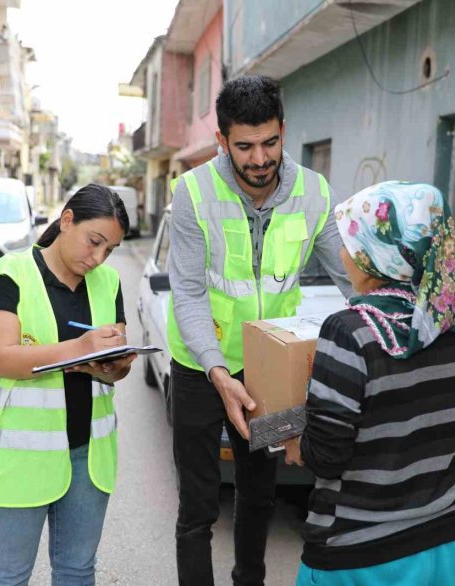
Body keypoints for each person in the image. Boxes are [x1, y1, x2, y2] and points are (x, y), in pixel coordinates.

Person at [167, 74, 353, 586]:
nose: (259, 159)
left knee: (258, 492)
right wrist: (217, 370)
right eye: (244, 146)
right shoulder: (192, 192)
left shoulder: (315, 191)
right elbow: (186, 290)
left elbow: (351, 275)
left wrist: (390, 325)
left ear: (284, 131)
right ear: (222, 141)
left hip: (267, 370)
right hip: (198, 369)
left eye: (270, 142)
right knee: (199, 504)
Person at [283, 181, 455, 586]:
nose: (342, 256)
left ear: (379, 253)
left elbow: (327, 456)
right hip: (444, 544)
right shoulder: (454, 323)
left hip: (361, 556)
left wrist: (293, 441)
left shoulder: (349, 332)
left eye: (351, 245)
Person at [0, 184, 135, 586]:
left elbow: (114, 369)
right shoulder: (9, 275)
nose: (98, 258)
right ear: (66, 220)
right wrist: (79, 347)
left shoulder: (108, 283)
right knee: (9, 576)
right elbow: (3, 357)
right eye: (94, 242)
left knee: (77, 571)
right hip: (17, 459)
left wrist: (113, 366)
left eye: (109, 250)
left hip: (87, 457)